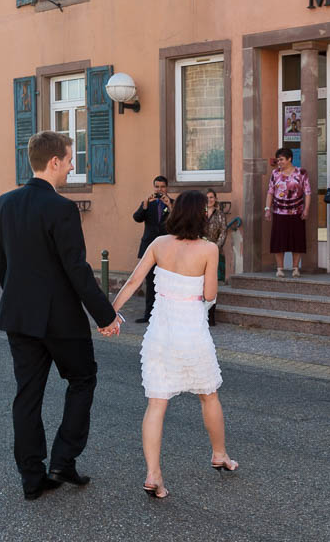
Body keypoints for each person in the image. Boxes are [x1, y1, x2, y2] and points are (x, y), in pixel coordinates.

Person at [0, 131, 122, 501]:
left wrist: (19, 299)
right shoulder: (61, 208)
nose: (72, 165)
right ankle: (63, 460)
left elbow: (3, 266)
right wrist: (105, 314)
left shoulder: (4, 203)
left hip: (19, 316)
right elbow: (76, 270)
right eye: (69, 159)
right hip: (60, 320)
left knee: (27, 396)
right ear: (53, 162)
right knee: (82, 379)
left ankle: (32, 478)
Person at [108, 190, 238, 499]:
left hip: (160, 334)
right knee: (209, 396)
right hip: (192, 333)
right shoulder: (208, 250)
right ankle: (219, 454)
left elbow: (133, 282)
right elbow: (209, 296)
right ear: (200, 216)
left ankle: (153, 474)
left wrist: (110, 314)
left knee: (156, 403)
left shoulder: (158, 244)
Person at [264, 148, 311, 277]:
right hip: (279, 212)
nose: (279, 162)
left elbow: (307, 193)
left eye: (281, 159)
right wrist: (267, 209)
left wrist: (306, 209)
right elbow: (270, 192)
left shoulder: (301, 173)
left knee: (297, 241)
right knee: (279, 241)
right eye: (278, 160)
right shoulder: (275, 174)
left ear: (289, 159)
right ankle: (280, 268)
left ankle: (296, 268)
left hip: (297, 212)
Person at [133, 176, 174, 324]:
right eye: (157, 187)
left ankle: (166, 315)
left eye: (162, 187)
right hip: (149, 247)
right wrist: (144, 205)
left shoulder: (172, 203)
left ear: (167, 188)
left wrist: (169, 206)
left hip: (167, 248)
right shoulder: (147, 203)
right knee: (150, 282)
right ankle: (148, 315)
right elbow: (137, 218)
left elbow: (177, 221)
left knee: (167, 282)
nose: (159, 190)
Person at [205, 188, 227, 326]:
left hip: (215, 252)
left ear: (216, 198)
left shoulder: (220, 214)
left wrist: (215, 248)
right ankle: (201, 316)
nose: (209, 200)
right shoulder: (199, 214)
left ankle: (211, 317)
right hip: (199, 252)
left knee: (212, 285)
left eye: (211, 197)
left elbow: (223, 232)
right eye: (207, 197)